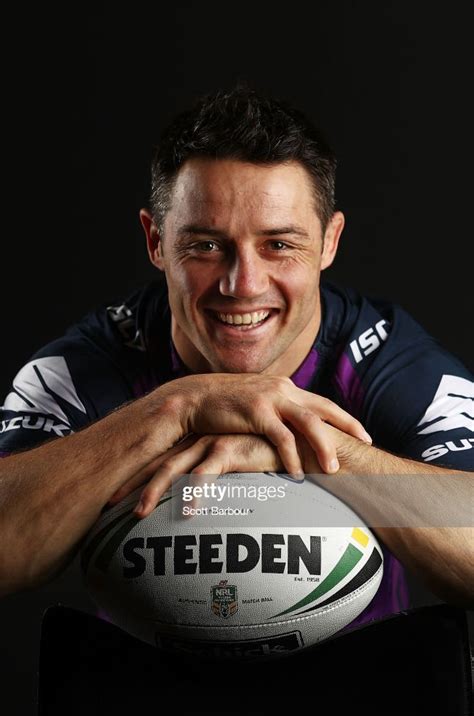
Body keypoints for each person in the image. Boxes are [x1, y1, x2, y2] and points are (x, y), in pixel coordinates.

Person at [0, 86, 472, 625]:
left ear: (329, 240)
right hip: (142, 697)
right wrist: (176, 407)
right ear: (155, 240)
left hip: (359, 695)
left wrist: (312, 449)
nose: (242, 284)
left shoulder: (380, 357)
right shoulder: (88, 365)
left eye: (279, 244)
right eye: (205, 245)